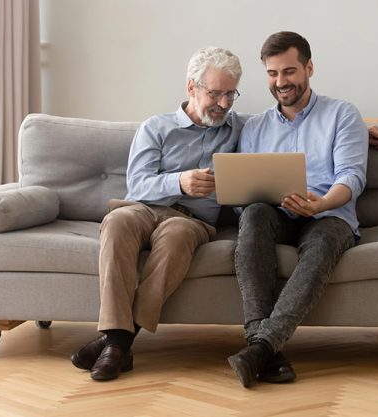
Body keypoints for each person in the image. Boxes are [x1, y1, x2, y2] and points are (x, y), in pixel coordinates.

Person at [70, 46, 247, 381]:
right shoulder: (157, 127)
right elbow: (137, 184)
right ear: (191, 88)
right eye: (215, 93)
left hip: (191, 221)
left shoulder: (240, 129)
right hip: (142, 209)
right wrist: (179, 181)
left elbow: (290, 123)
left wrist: (360, 127)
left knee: (178, 235)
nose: (224, 104)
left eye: (230, 94)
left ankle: (117, 341)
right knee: (117, 221)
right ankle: (118, 343)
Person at [227, 31, 371, 388]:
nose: (281, 82)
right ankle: (264, 347)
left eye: (289, 72)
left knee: (325, 239)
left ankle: (260, 346)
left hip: (329, 214)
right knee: (254, 213)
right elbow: (244, 185)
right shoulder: (254, 127)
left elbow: (352, 176)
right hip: (277, 214)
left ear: (309, 67)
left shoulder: (342, 114)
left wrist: (321, 203)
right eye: (273, 74)